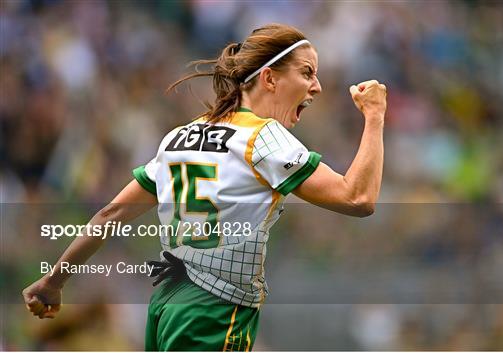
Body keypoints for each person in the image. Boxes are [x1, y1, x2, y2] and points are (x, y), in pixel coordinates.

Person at [22, 23, 386, 351]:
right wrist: (374, 117)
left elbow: (111, 213)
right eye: (307, 72)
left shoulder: (179, 137)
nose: (317, 87)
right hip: (213, 312)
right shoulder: (263, 137)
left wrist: (54, 280)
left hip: (166, 309)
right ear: (270, 79)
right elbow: (358, 197)